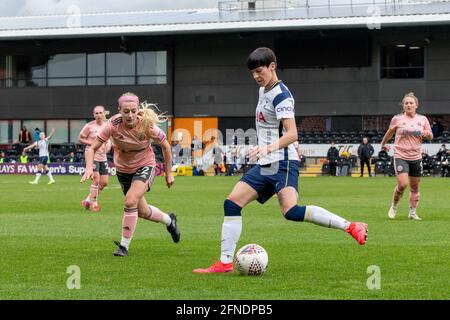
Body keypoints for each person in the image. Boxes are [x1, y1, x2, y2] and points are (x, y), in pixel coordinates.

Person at [192, 47, 367, 274]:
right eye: (252, 72)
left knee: (291, 212)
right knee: (232, 203)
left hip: (283, 162)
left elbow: (293, 133)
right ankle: (225, 262)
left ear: (272, 66)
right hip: (267, 162)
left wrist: (266, 148)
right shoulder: (263, 90)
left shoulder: (282, 96)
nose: (256, 76)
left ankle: (351, 226)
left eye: (259, 71)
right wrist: (263, 148)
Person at [80, 92, 180, 257]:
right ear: (119, 110)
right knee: (142, 211)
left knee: (130, 200)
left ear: (138, 109)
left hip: (145, 165)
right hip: (123, 170)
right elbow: (92, 147)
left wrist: (169, 173)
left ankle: (124, 247)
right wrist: (89, 167)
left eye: (133, 110)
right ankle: (170, 221)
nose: (130, 115)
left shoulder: (146, 124)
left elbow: (166, 146)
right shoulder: (113, 124)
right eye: (126, 111)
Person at [381, 92, 433, 221]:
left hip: (416, 156)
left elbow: (431, 136)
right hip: (400, 155)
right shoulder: (397, 119)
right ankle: (394, 206)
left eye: (411, 103)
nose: (408, 105)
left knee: (415, 187)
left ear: (416, 105)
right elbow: (390, 132)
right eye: (406, 103)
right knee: (403, 184)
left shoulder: (423, 119)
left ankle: (412, 212)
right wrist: (383, 144)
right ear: (403, 106)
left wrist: (427, 134)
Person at [78, 105, 112, 212]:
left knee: (104, 182)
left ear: (104, 114)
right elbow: (80, 139)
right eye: (96, 113)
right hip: (92, 155)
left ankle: (87, 200)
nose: (98, 115)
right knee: (96, 179)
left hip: (103, 156)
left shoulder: (107, 126)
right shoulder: (89, 126)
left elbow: (109, 139)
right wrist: (92, 143)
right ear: (93, 115)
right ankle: (94, 203)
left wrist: (109, 145)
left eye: (100, 113)